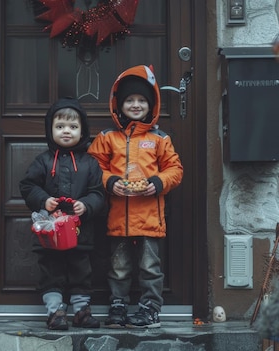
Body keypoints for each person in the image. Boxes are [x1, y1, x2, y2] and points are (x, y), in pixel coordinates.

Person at [88, 65, 183, 328]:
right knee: (118, 266)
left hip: (150, 218)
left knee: (150, 267)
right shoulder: (108, 138)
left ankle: (149, 308)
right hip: (118, 217)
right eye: (130, 100)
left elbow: (175, 170)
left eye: (142, 100)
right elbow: (94, 167)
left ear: (151, 106)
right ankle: (118, 304)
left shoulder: (159, 139)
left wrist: (157, 182)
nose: (136, 104)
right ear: (119, 105)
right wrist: (110, 182)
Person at [19, 97, 106, 330]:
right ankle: (55, 312)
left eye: (73, 127)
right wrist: (43, 200)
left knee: (82, 271)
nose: (66, 131)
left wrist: (86, 205)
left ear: (82, 131)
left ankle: (81, 311)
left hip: (80, 231)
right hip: (51, 231)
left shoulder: (90, 164)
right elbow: (27, 186)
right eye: (60, 127)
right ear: (50, 130)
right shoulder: (44, 161)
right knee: (52, 271)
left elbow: (99, 193)